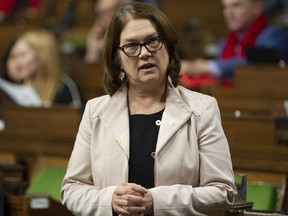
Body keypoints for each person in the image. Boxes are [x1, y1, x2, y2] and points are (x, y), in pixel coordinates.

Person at [61, 2, 236, 215]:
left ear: (169, 48)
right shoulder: (95, 111)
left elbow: (222, 192)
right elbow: (71, 190)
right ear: (117, 59)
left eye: (152, 41)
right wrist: (110, 200)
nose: (144, 53)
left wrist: (157, 201)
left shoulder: (202, 109)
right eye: (131, 46)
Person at [180, 0, 288, 89]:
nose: (228, 13)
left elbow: (257, 61)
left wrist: (208, 67)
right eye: (225, 7)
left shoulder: (274, 35)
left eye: (236, 5)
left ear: (257, 7)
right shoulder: (226, 42)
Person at [0, 29, 82, 112]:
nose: (16, 63)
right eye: (12, 56)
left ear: (42, 56)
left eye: (22, 55)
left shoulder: (63, 88)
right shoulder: (9, 90)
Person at [84, 0, 160, 64]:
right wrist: (92, 53)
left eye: (111, 11)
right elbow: (92, 75)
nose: (105, 17)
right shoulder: (99, 37)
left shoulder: (140, 33)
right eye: (102, 12)